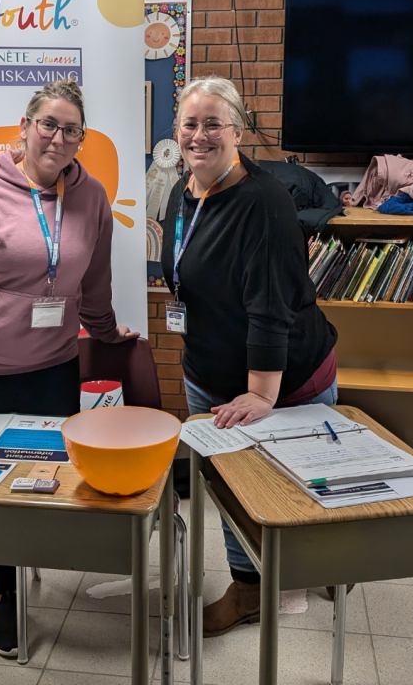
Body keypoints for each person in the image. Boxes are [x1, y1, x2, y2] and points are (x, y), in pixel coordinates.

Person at [0, 78, 137, 657]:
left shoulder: (91, 200)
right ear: (24, 127)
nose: (58, 138)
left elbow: (95, 283)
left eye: (72, 130)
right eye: (49, 124)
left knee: (43, 485)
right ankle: (8, 595)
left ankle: (27, 566)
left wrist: (110, 334)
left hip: (53, 368)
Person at [161, 76, 340, 637]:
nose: (200, 135)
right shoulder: (182, 192)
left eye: (213, 123)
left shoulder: (264, 203)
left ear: (237, 130)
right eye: (190, 123)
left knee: (294, 485)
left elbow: (271, 305)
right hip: (211, 374)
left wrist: (261, 391)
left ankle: (322, 563)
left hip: (281, 379)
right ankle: (250, 589)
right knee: (232, 494)